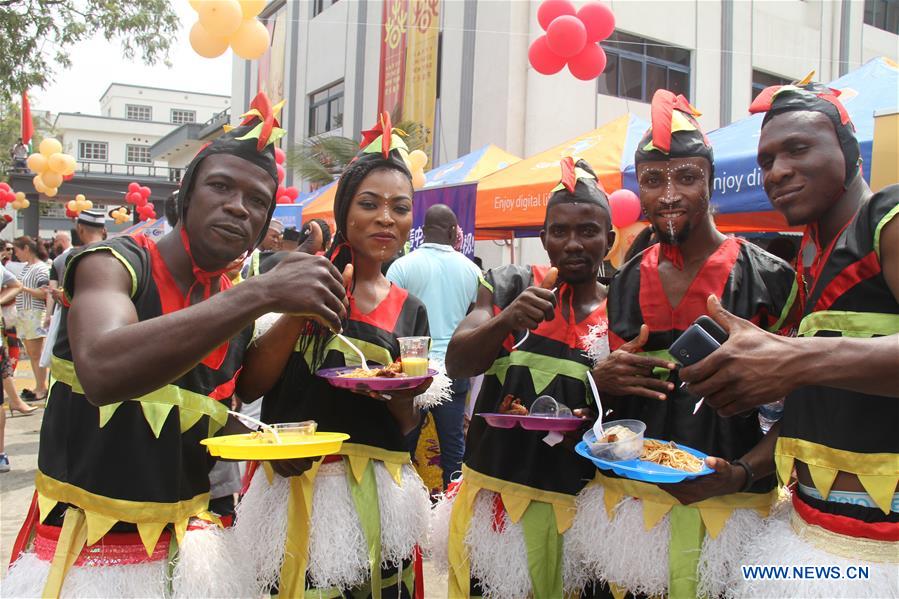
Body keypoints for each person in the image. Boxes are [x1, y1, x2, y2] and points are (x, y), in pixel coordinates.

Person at [4, 92, 349, 597]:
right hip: (86, 559)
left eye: (257, 201)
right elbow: (102, 370)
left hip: (187, 553)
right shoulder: (113, 264)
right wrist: (262, 293)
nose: (238, 206)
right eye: (221, 187)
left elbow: (221, 398)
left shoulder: (229, 303)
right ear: (186, 194)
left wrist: (270, 446)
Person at [679, 78, 899, 596]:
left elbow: (813, 366)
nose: (776, 172)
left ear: (848, 150)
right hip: (804, 537)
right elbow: (818, 402)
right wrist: (740, 472)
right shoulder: (806, 259)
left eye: (798, 148)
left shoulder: (886, 219)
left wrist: (798, 358)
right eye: (766, 160)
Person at [582, 90, 799, 599]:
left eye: (686, 176)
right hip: (635, 508)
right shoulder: (628, 280)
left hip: (735, 511)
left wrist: (744, 472)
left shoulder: (772, 279)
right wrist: (601, 382)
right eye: (654, 180)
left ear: (710, 181)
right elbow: (612, 409)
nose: (669, 195)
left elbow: (805, 408)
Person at [233, 112, 448, 598]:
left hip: (378, 491)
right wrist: (296, 308)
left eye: (400, 207)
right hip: (297, 485)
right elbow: (250, 386)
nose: (386, 218)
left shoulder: (410, 309)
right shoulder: (297, 275)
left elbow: (406, 423)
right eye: (370, 204)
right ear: (346, 210)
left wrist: (402, 391)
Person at [435, 158, 614, 598]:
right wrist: (507, 319)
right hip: (497, 505)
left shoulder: (624, 307)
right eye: (560, 231)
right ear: (544, 238)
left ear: (608, 240)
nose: (573, 243)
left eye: (588, 231)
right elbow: (458, 363)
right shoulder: (507, 283)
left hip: (579, 510)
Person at [387, 203, 482, 489]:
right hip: (454, 368)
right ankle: (450, 515)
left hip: (412, 369)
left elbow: (388, 320)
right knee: (453, 448)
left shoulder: (402, 266)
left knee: (404, 445)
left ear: (423, 231)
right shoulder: (472, 271)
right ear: (454, 232)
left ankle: (398, 503)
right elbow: (476, 320)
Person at [11, 235, 52, 402]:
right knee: (32, 353)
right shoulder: (28, 266)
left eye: (17, 250)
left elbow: (44, 292)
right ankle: (39, 385)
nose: (16, 254)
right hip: (25, 313)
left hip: (34, 312)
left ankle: (41, 387)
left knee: (36, 354)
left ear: (26, 248)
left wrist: (23, 289)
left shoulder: (40, 268)